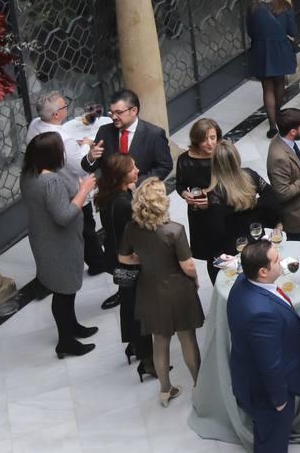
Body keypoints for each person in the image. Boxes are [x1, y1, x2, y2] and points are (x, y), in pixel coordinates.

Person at [117, 177, 204, 406]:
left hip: (150, 290)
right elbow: (188, 266)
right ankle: (199, 384)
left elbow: (123, 257)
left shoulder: (131, 229)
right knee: (187, 339)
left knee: (160, 342)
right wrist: (195, 280)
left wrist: (146, 261)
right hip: (178, 291)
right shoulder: (174, 230)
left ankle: (165, 389)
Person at [227, 239, 300, 453]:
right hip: (267, 393)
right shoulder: (260, 313)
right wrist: (279, 399)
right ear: (263, 271)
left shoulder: (242, 282)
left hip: (249, 376)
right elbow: (270, 363)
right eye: (276, 260)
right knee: (273, 441)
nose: (281, 261)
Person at [22, 132, 97, 358]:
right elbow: (63, 216)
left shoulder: (28, 174)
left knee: (65, 291)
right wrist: (84, 190)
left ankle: (71, 327)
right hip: (59, 244)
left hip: (45, 240)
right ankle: (65, 342)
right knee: (64, 293)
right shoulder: (50, 181)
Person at [27, 91, 105, 273]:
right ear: (56, 114)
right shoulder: (64, 140)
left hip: (45, 185)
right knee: (86, 228)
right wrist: (86, 144)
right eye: (64, 106)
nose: (67, 108)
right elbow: (81, 166)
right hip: (70, 188)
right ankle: (97, 263)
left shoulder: (34, 125)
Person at [96, 153, 152, 377]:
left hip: (117, 257)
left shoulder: (109, 196)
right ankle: (147, 359)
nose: (137, 170)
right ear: (120, 175)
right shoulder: (123, 204)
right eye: (132, 168)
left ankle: (135, 346)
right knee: (141, 308)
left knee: (129, 303)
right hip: (130, 260)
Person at [207, 139, 280, 261]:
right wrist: (255, 205)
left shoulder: (215, 191)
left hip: (235, 247)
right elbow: (271, 197)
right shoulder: (250, 175)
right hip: (257, 238)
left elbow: (216, 228)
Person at [84, 88, 172, 185]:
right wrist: (91, 157)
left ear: (134, 111)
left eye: (119, 112)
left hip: (140, 195)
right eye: (111, 113)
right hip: (112, 195)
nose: (114, 117)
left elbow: (165, 166)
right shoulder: (104, 132)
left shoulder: (154, 135)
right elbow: (90, 167)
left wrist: (138, 184)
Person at [248, 0, 300, 138]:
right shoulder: (285, 6)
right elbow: (293, 31)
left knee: (267, 87)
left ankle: (272, 126)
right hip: (281, 49)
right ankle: (277, 113)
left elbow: (249, 31)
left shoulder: (253, 7)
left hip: (261, 50)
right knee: (279, 82)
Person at [175, 117, 222, 281]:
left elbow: (233, 184)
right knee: (212, 256)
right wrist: (184, 194)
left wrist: (214, 200)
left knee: (227, 249)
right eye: (204, 139)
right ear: (196, 140)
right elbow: (180, 185)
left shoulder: (222, 155)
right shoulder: (185, 160)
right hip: (199, 214)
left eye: (213, 137)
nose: (209, 143)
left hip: (223, 208)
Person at [267, 108, 300, 241]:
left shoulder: (282, 139)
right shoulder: (279, 157)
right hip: (295, 218)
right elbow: (283, 193)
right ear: (292, 132)